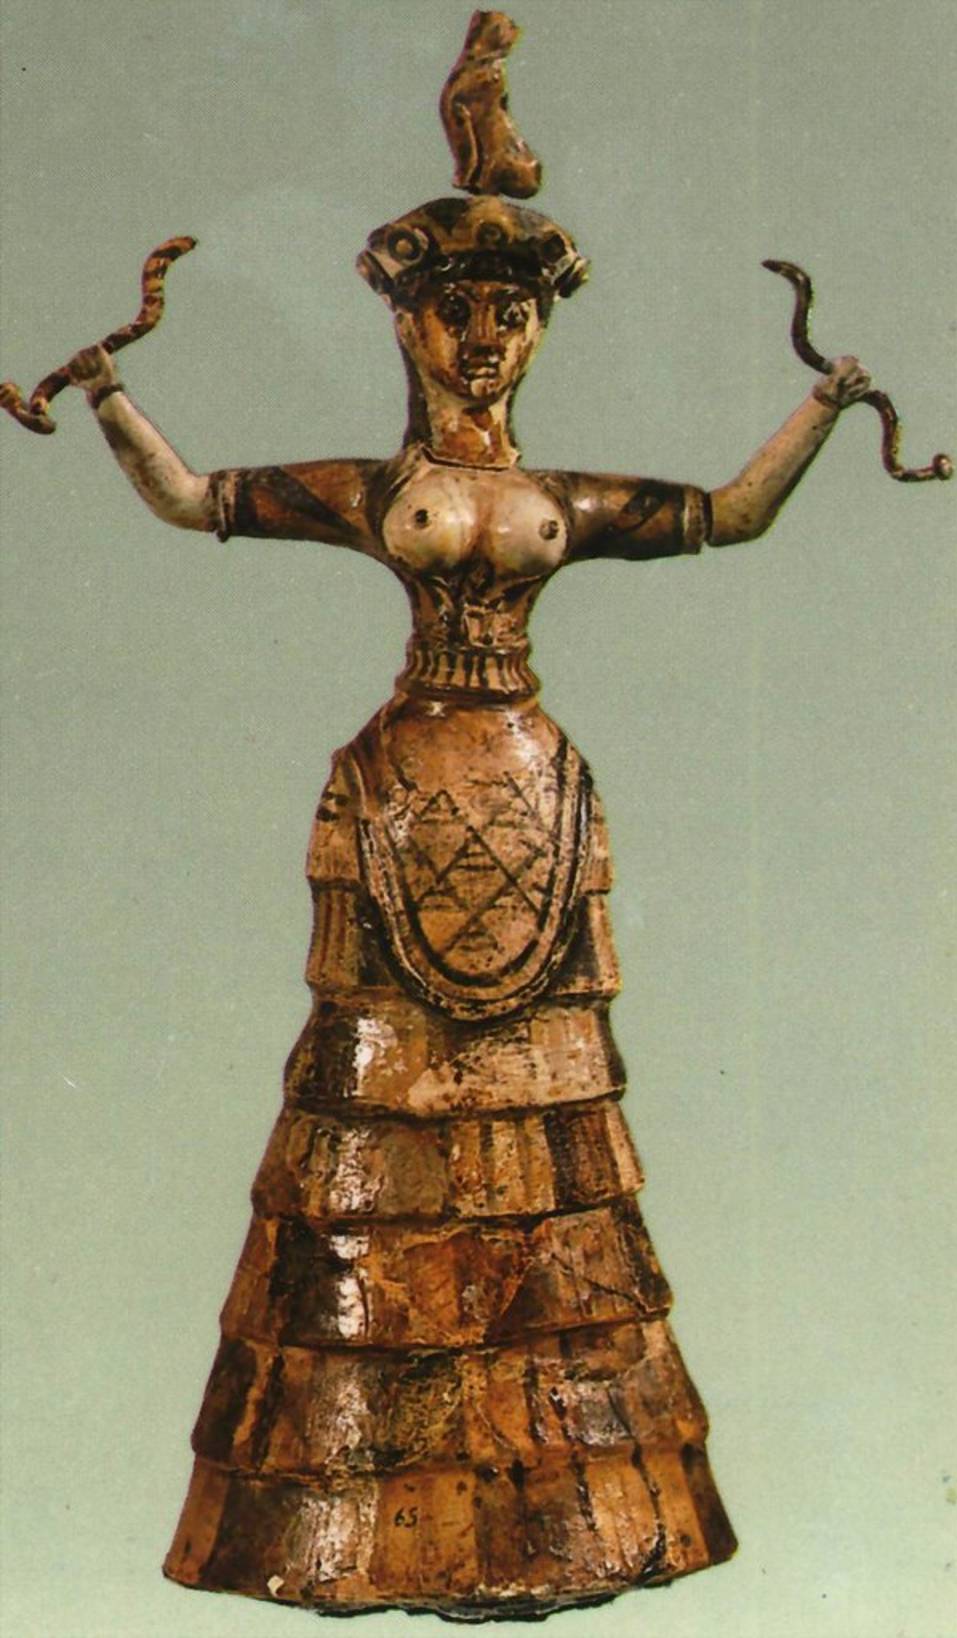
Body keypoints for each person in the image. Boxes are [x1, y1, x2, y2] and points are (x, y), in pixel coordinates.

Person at [67, 188, 869, 1621]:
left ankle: (546, 1529)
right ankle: (376, 1524)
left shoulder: (566, 499)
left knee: (542, 1117)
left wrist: (824, 403)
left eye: (513, 312)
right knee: (381, 1104)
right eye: (457, 309)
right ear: (405, 322)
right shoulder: (374, 493)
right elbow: (193, 500)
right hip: (402, 794)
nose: (485, 337)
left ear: (543, 328)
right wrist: (110, 395)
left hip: (529, 792)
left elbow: (731, 515)